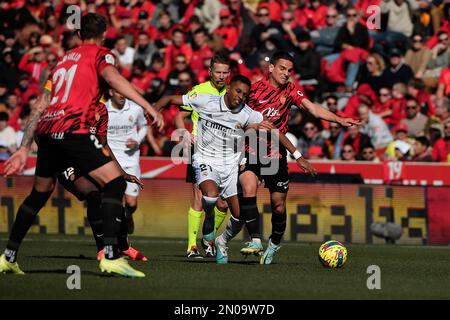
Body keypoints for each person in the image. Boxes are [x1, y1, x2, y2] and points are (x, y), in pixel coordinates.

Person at [0, 13, 163, 278]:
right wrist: (146, 106)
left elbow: (41, 103)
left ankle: (8, 257)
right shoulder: (102, 54)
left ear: (78, 35)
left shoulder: (63, 60)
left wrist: (23, 146)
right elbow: (111, 77)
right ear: (105, 33)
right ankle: (110, 256)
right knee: (115, 184)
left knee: (39, 194)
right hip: (74, 128)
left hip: (48, 131)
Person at [153, 75, 316, 264]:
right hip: (205, 159)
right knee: (210, 196)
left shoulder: (249, 114)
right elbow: (169, 99)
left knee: (240, 217)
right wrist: (153, 110)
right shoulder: (205, 99)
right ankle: (210, 218)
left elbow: (274, 131)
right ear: (229, 88)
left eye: (245, 95)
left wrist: (298, 156)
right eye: (238, 91)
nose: (240, 96)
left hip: (230, 166)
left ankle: (221, 241)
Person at [238, 51, 360, 265]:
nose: (286, 74)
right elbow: (237, 114)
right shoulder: (254, 90)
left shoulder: (292, 91)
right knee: (248, 187)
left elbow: (313, 108)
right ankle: (256, 240)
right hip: (252, 149)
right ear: (271, 68)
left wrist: (339, 120)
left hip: (276, 153)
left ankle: (274, 243)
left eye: (289, 71)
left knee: (278, 205)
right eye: (282, 69)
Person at [162, 54, 231, 259]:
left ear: (229, 74)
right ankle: (192, 246)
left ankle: (208, 238)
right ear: (210, 72)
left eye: (224, 72)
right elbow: (179, 116)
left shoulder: (233, 93)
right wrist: (183, 132)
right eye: (217, 72)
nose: (220, 76)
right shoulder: (198, 91)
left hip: (225, 152)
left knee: (224, 202)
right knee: (200, 197)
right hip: (200, 149)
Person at [106, 89, 148, 235]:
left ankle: (128, 216)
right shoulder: (104, 109)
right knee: (112, 200)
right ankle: (113, 234)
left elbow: (144, 126)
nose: (122, 94)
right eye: (118, 92)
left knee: (131, 203)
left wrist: (137, 140)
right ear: (111, 92)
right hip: (110, 161)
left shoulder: (136, 109)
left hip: (130, 161)